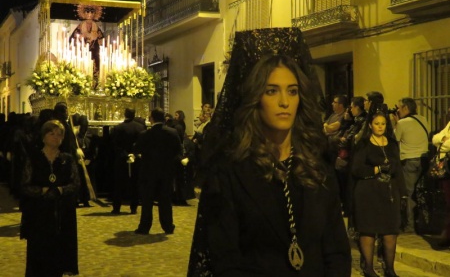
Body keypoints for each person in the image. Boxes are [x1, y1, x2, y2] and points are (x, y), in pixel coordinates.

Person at [188, 46, 351, 274]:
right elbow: (226, 260)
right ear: (255, 98)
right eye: (272, 91)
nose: (284, 102)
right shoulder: (229, 171)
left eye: (292, 91)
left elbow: (336, 250)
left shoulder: (317, 166)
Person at [352, 106, 407, 277]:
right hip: (368, 193)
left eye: (383, 123)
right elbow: (356, 169)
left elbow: (398, 170)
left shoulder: (391, 144)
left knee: (390, 231)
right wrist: (376, 169)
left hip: (389, 193)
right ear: (370, 125)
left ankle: (390, 269)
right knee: (368, 230)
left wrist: (403, 193)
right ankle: (368, 268)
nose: (380, 126)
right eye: (377, 123)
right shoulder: (363, 144)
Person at [20, 119, 80, 277]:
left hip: (62, 214)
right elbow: (24, 185)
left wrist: (61, 189)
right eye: (52, 133)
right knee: (39, 252)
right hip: (39, 213)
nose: (56, 137)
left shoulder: (67, 159)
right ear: (44, 136)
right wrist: (42, 190)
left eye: (59, 134)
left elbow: (75, 183)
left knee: (59, 252)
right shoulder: (34, 158)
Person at [133, 108, 183, 235]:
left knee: (147, 201)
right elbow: (178, 150)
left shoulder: (145, 134)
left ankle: (144, 227)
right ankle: (168, 226)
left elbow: (137, 149)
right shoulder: (172, 132)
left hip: (148, 171)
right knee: (165, 200)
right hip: (166, 170)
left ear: (152, 119)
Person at [391, 97, 430, 233]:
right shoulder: (423, 119)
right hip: (424, 160)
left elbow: (395, 139)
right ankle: (424, 223)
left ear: (406, 108)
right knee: (421, 193)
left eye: (399, 108)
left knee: (409, 193)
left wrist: (395, 124)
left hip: (409, 161)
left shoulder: (402, 123)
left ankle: (410, 226)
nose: (397, 110)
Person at [111, 108, 146, 214]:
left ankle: (116, 207)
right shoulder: (140, 127)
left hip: (122, 159)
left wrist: (126, 155)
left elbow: (115, 145)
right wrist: (134, 154)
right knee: (135, 183)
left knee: (119, 183)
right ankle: (133, 207)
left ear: (124, 114)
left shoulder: (118, 128)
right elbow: (142, 144)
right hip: (136, 159)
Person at [69, 4, 104, 85]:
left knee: (95, 73)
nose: (89, 15)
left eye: (92, 13)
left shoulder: (96, 28)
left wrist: (100, 42)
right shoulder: (80, 27)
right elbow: (72, 40)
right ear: (84, 14)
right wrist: (80, 38)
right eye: (87, 12)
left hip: (94, 54)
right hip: (82, 54)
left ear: (94, 14)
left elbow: (102, 41)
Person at [431, 116, 450, 248]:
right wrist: (442, 140)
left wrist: (442, 143)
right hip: (447, 170)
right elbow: (435, 138)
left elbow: (444, 145)